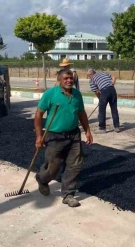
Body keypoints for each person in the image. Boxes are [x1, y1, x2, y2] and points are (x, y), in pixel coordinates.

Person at [34, 68, 93, 208]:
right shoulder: (50, 94)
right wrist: (39, 136)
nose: (69, 81)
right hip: (54, 136)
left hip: (73, 135)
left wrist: (88, 131)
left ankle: (68, 194)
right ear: (59, 79)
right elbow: (38, 114)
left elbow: (81, 113)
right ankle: (42, 179)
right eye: (66, 78)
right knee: (52, 167)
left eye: (71, 78)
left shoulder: (77, 94)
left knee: (74, 165)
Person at [87, 68, 120, 133]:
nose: (89, 78)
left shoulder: (92, 79)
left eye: (88, 76)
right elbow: (114, 77)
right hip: (112, 90)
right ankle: (117, 127)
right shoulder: (103, 73)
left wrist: (100, 99)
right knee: (114, 109)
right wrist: (112, 84)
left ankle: (102, 128)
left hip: (104, 91)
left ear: (91, 74)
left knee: (101, 110)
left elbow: (96, 92)